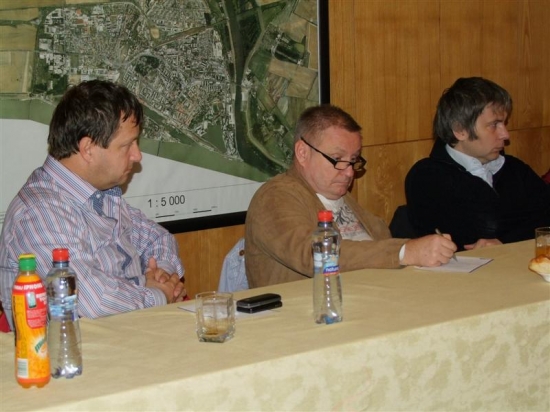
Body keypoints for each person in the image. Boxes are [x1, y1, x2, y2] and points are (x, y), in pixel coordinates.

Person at [0, 80, 186, 330]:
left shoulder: (101, 194)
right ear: (88, 149)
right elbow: (93, 305)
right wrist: (158, 295)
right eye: (127, 145)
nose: (137, 155)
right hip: (80, 350)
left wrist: (161, 273)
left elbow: (158, 239)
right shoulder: (40, 214)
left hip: (132, 335)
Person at [245, 105, 457, 287]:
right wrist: (403, 252)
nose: (349, 172)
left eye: (353, 160)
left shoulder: (339, 196)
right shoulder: (274, 197)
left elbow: (380, 244)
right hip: (312, 313)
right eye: (337, 159)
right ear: (302, 152)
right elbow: (315, 255)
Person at [405, 77, 550, 251]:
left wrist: (504, 240)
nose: (505, 135)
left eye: (504, 123)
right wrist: (523, 225)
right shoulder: (427, 176)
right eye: (494, 125)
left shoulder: (514, 168)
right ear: (460, 130)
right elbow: (482, 227)